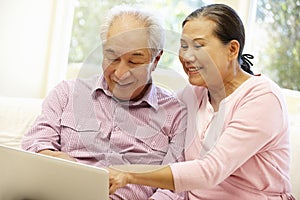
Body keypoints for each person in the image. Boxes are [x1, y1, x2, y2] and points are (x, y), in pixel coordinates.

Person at [108, 4, 296, 200]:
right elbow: (156, 108)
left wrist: (130, 175)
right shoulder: (193, 94)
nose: (187, 57)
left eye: (198, 46)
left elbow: (210, 170)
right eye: (183, 46)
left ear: (232, 49)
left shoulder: (263, 98)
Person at [21, 5, 187, 200]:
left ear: (156, 60)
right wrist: (54, 158)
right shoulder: (67, 93)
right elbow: (34, 144)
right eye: (112, 57)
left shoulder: (175, 115)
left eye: (134, 61)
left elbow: (175, 187)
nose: (120, 73)